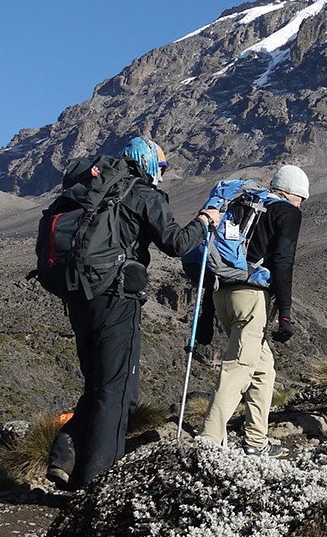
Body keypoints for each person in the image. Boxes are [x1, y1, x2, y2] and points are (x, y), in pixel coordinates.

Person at [48, 136, 219, 488]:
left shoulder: (93, 190)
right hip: (116, 298)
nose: (163, 172)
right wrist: (204, 221)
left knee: (99, 381)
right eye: (162, 166)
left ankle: (66, 452)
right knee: (118, 389)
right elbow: (175, 243)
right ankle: (96, 482)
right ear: (147, 163)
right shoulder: (140, 192)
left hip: (80, 294)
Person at [199, 165, 308, 456]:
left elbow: (215, 258)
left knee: (263, 370)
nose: (301, 205)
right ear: (293, 194)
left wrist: (205, 316)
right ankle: (208, 443)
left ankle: (256, 441)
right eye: (302, 199)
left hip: (222, 294)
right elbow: (284, 264)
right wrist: (285, 313)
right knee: (238, 369)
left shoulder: (242, 205)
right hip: (251, 299)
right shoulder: (287, 213)